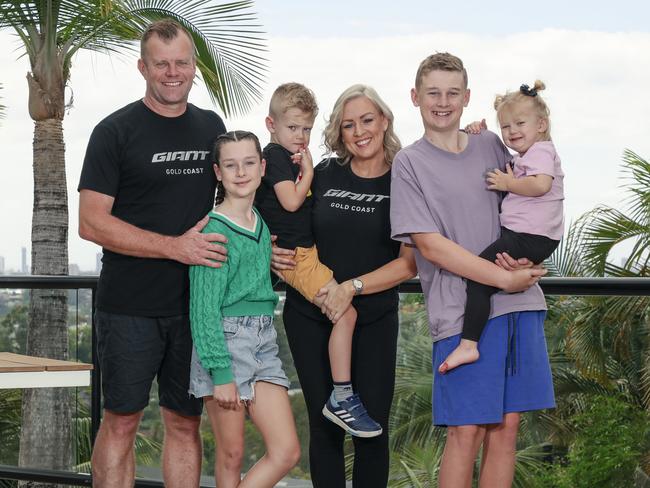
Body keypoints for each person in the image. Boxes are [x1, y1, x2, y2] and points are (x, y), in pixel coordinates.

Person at [390, 53, 555, 488]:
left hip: (521, 301)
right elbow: (430, 246)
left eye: (451, 93)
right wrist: (501, 277)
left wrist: (531, 257)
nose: (442, 102)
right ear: (415, 97)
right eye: (432, 93)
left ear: (466, 98)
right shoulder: (408, 164)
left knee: (506, 430)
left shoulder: (491, 144)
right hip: (463, 315)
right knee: (466, 432)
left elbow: (535, 199)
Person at [78, 19, 227, 487]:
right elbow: (90, 222)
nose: (172, 72)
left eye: (181, 62)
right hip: (129, 308)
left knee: (185, 422)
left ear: (193, 68)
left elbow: (239, 196)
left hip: (195, 307)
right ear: (143, 67)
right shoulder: (114, 131)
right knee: (121, 421)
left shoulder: (211, 127)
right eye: (161, 64)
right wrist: (174, 248)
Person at [272, 84, 418, 487]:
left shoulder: (404, 179)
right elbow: (283, 218)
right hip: (310, 316)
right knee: (325, 430)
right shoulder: (323, 174)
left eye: (367, 120)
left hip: (371, 320)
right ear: (339, 131)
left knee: (371, 432)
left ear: (384, 121)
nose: (359, 131)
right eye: (348, 124)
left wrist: (349, 288)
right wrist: (269, 250)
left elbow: (408, 264)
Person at [255, 82, 381, 437]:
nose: (301, 136)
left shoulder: (286, 157)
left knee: (346, 314)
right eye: (293, 128)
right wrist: (308, 172)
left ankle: (342, 396)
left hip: (304, 255)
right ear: (271, 124)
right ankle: (342, 396)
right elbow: (292, 202)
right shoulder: (277, 158)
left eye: (306, 129)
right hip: (298, 259)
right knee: (348, 313)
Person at [188, 130, 300, 487]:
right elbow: (203, 309)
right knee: (232, 454)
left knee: (286, 452)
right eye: (231, 165)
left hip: (263, 340)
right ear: (218, 172)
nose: (241, 172)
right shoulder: (214, 231)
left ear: (262, 167)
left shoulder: (260, 225)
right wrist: (221, 373)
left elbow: (251, 276)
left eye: (249, 163)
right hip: (225, 341)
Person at [440, 80, 564, 373]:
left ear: (542, 124)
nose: (512, 132)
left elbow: (540, 184)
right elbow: (517, 170)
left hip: (529, 236)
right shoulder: (528, 156)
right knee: (489, 275)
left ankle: (469, 345)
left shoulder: (543, 152)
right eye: (506, 127)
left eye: (520, 123)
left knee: (478, 276)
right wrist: (477, 132)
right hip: (529, 236)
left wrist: (508, 183)